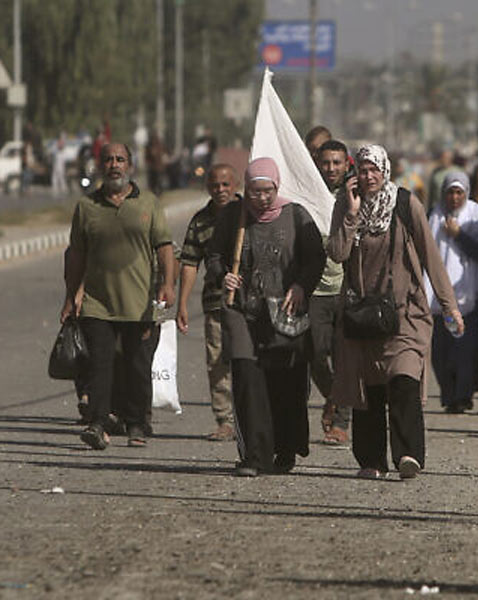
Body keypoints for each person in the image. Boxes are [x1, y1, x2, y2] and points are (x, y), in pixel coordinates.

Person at [328, 145, 462, 480]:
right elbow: (338, 252)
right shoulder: (346, 204)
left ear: (385, 170)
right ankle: (372, 460)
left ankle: (408, 454)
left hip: (405, 314)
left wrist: (449, 306)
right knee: (369, 389)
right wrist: (351, 214)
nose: (369, 176)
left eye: (374, 169)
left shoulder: (405, 203)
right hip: (362, 316)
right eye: (363, 169)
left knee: (403, 379)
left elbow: (431, 256)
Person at [206, 157, 325, 477]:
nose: (261, 198)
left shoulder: (296, 216)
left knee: (286, 381)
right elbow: (215, 255)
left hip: (284, 312)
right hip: (243, 310)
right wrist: (222, 276)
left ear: (276, 186)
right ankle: (253, 455)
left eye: (267, 191)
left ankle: (284, 449)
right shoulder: (234, 216)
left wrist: (301, 285)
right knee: (247, 376)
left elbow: (315, 257)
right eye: (254, 192)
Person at [61, 142, 176, 449]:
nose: (114, 164)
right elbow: (76, 255)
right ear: (100, 166)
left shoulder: (148, 203)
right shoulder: (87, 207)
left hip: (139, 304)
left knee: (137, 366)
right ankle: (98, 423)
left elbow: (164, 247)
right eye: (109, 159)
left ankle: (136, 422)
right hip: (98, 303)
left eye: (120, 159)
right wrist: (71, 295)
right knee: (100, 364)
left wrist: (168, 285)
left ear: (130, 166)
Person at [176, 164, 239, 442]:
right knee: (217, 362)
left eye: (226, 185)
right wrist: (182, 304)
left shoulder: (248, 214)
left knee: (250, 362)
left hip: (250, 306)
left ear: (235, 185)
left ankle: (252, 416)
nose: (221, 190)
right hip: (215, 305)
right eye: (215, 186)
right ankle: (224, 419)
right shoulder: (200, 221)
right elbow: (189, 262)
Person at [426, 171, 478, 414]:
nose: (454, 198)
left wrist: (459, 236)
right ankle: (450, 395)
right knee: (441, 350)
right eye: (450, 192)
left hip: (469, 295)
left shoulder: (477, 215)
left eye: (459, 192)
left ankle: (463, 396)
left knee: (463, 349)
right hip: (439, 297)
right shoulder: (434, 215)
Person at [312, 139, 352, 445]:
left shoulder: (356, 194)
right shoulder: (307, 193)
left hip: (347, 290)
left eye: (337, 162)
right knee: (314, 353)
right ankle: (333, 397)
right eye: (326, 162)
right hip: (314, 290)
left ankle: (341, 422)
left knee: (346, 358)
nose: (331, 168)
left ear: (346, 163)